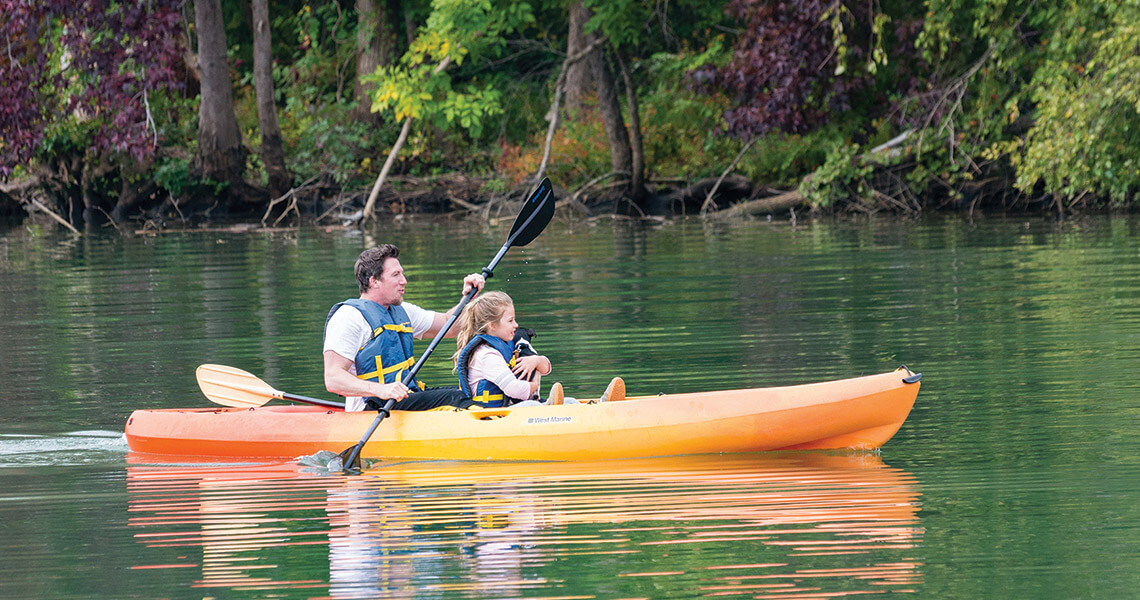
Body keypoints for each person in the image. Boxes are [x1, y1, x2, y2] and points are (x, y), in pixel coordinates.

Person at [323, 245, 485, 412]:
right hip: (373, 408)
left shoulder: (403, 311)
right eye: (395, 275)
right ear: (374, 281)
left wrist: (468, 298)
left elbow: (448, 326)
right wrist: (382, 389)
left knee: (464, 392)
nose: (404, 280)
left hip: (405, 399)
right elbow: (333, 378)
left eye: (402, 273)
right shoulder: (349, 317)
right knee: (455, 399)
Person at [452, 291, 553, 407]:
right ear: (492, 326)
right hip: (491, 414)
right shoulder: (487, 355)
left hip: (509, 408)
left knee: (571, 402)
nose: (516, 325)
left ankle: (550, 406)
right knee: (532, 406)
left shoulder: (510, 346)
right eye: (510, 321)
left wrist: (537, 361)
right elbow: (515, 390)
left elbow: (546, 370)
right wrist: (534, 385)